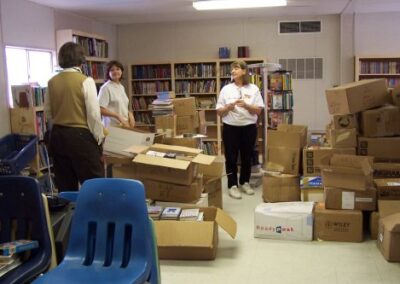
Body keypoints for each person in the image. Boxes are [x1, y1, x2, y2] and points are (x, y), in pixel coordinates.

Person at [45, 42, 105, 192]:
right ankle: (94, 214)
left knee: (65, 186)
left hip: (58, 135)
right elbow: (93, 114)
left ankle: (69, 214)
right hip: (80, 137)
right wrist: (99, 139)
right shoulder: (85, 80)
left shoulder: (52, 82)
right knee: (94, 183)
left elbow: (48, 113)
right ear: (81, 59)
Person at [216, 60, 264, 199]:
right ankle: (232, 185)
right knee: (230, 158)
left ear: (244, 71)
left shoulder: (253, 89)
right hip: (230, 128)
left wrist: (247, 105)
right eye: (232, 69)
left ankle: (244, 182)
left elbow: (259, 110)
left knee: (246, 157)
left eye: (236, 68)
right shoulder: (226, 89)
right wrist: (228, 107)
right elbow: (219, 111)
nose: (232, 71)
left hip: (249, 128)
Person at [98, 60, 135, 128]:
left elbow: (122, 106)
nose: (115, 71)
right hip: (112, 127)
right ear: (108, 73)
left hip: (124, 125)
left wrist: (130, 114)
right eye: (112, 70)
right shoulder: (105, 88)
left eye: (118, 69)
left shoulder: (121, 87)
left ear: (121, 71)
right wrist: (117, 116)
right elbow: (100, 109)